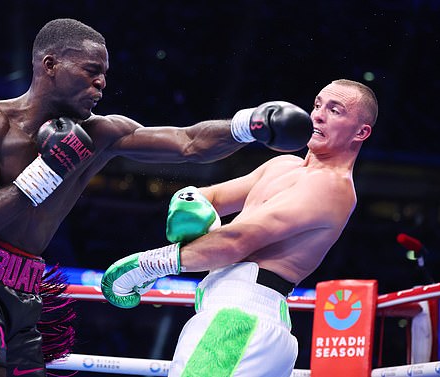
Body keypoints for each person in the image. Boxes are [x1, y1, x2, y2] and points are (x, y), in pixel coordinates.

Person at [0, 18, 313, 377]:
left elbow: (190, 143)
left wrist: (249, 125)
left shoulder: (101, 132)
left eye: (104, 74)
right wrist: (51, 169)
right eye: (90, 71)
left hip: (25, 286)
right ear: (49, 65)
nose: (101, 83)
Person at [101, 79, 378, 377]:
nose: (318, 115)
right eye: (317, 105)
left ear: (361, 132)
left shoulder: (332, 186)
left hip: (240, 319)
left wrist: (148, 264)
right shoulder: (283, 165)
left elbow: (238, 240)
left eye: (335, 111)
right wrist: (189, 201)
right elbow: (213, 197)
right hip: (240, 317)